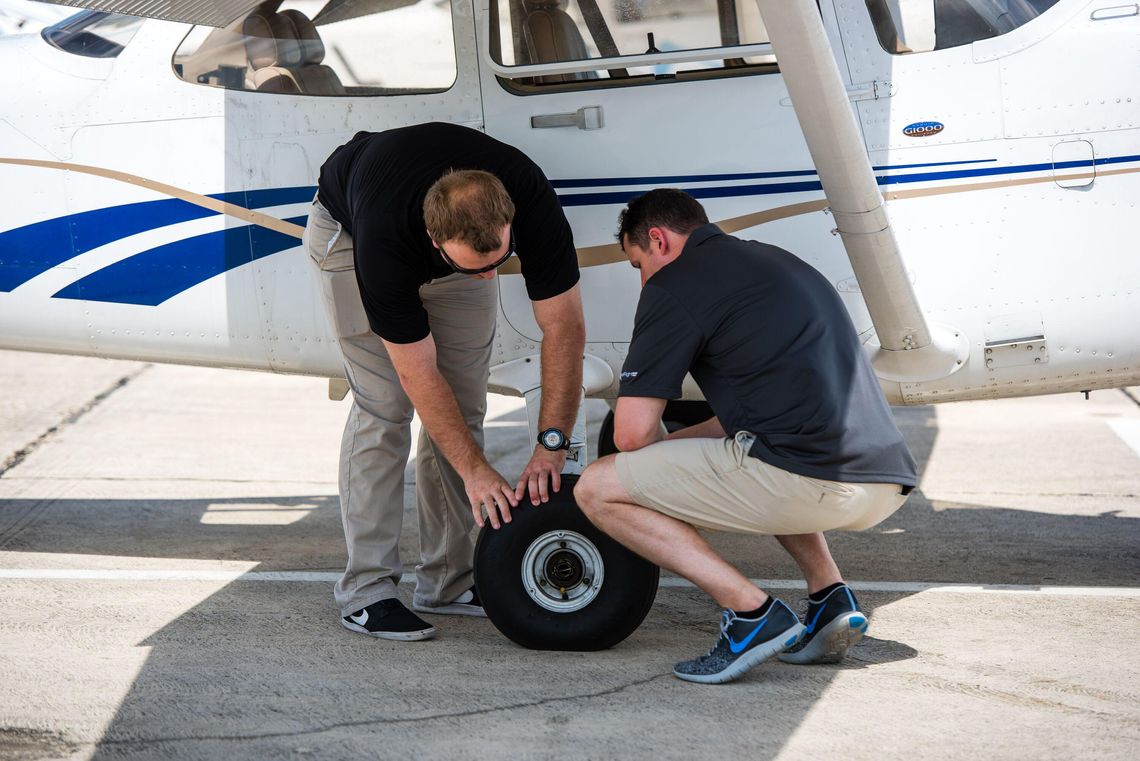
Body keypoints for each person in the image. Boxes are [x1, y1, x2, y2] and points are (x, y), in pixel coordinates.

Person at [575, 189, 917, 684]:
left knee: (597, 487)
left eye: (636, 264)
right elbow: (750, 420)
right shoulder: (777, 261)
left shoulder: (675, 284)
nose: (642, 278)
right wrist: (675, 453)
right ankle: (829, 596)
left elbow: (629, 435)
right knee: (757, 448)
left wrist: (646, 464)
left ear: (658, 240)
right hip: (884, 483)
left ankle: (751, 613)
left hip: (807, 480)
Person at [304, 122, 585, 641]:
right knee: (384, 407)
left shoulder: (527, 197)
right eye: (474, 267)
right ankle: (367, 591)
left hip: (442, 230)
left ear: (509, 222)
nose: (487, 279)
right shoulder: (385, 242)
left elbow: (564, 330)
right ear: (435, 239)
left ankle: (449, 579)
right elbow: (417, 373)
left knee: (465, 405)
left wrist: (551, 446)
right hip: (347, 230)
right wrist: (477, 472)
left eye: (498, 263)